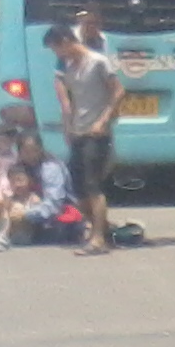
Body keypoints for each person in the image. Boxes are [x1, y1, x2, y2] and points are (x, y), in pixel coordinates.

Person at [45, 23, 124, 256]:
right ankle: (102, 230)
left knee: (93, 186)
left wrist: (104, 120)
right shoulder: (70, 67)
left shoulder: (98, 62)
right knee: (78, 188)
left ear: (66, 42)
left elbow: (118, 91)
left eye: (56, 49)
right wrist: (67, 127)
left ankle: (98, 239)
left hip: (96, 133)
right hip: (78, 131)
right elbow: (68, 100)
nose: (57, 55)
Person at [0, 130, 81, 249]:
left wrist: (25, 214)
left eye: (34, 150)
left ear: (40, 149)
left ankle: (4, 237)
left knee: (19, 212)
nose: (31, 155)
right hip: (32, 208)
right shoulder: (22, 167)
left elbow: (54, 205)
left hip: (55, 218)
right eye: (26, 152)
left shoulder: (50, 168)